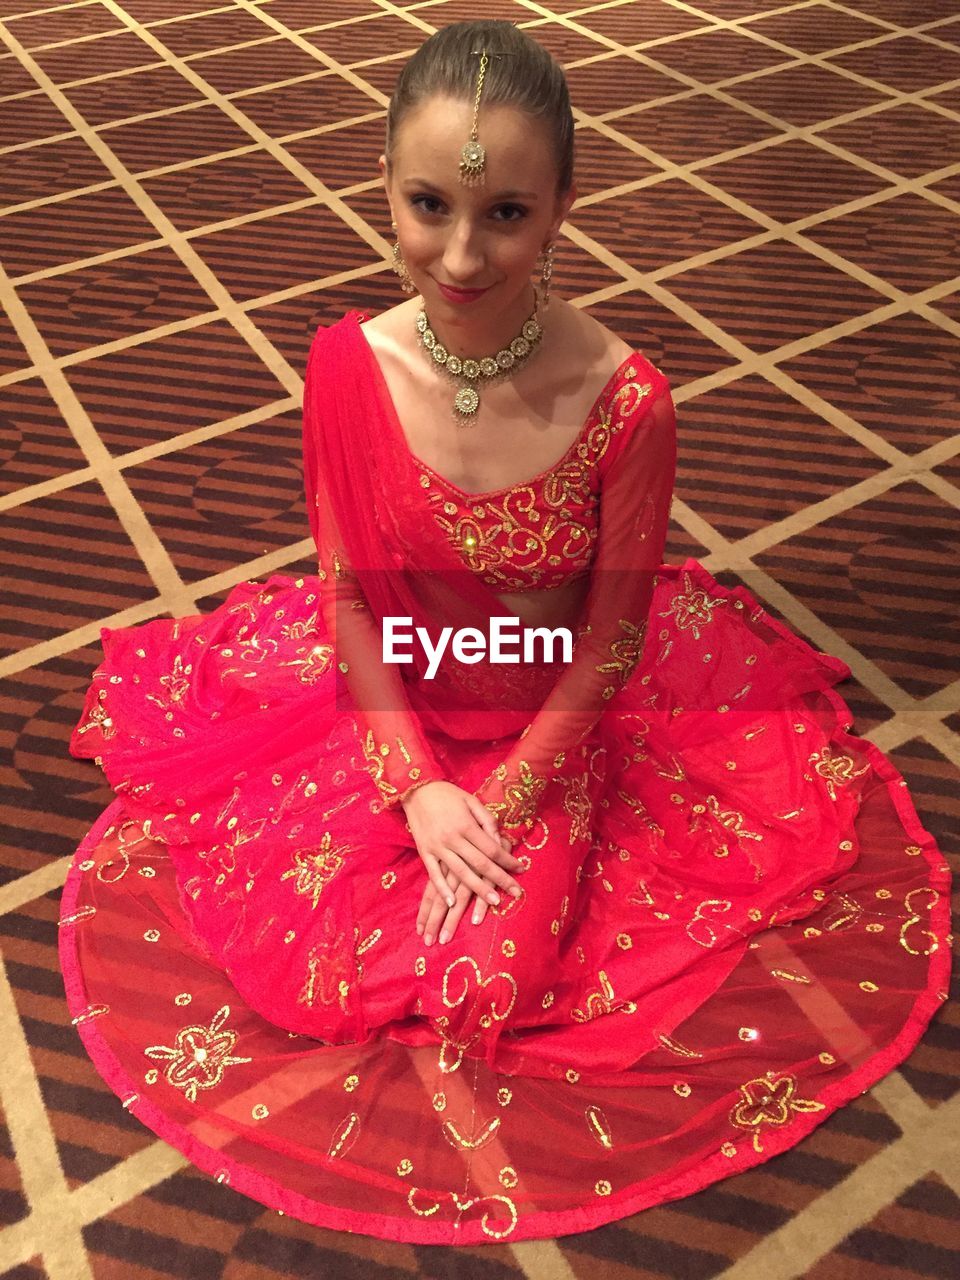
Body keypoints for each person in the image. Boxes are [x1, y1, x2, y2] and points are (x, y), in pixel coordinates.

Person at [59, 19, 950, 1247]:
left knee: (489, 979)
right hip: (399, 707)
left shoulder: (627, 400)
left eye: (508, 214)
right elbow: (352, 603)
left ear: (566, 204)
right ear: (384, 187)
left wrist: (519, 786)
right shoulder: (343, 369)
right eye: (428, 204)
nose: (462, 254)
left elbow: (613, 642)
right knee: (298, 966)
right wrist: (421, 789)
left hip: (555, 718)